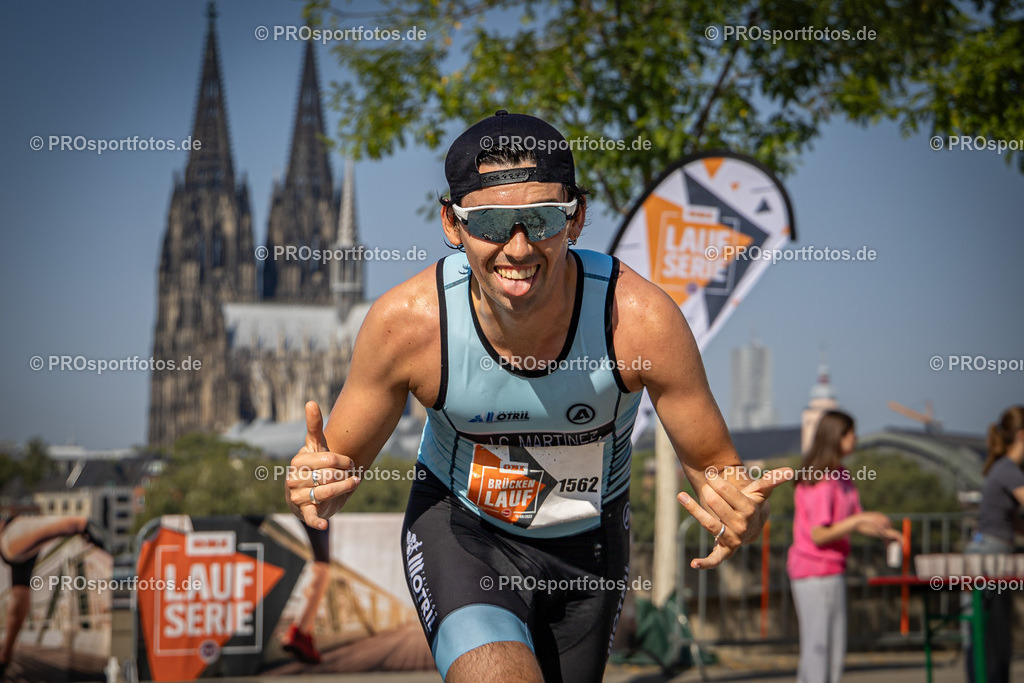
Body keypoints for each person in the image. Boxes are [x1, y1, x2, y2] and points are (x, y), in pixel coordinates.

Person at [285, 110, 792, 682]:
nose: (519, 248)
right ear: (452, 225)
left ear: (575, 220)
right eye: (493, 223)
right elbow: (337, 465)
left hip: (590, 546)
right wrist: (313, 483)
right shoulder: (408, 326)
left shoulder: (640, 323)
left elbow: (712, 467)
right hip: (464, 534)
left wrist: (737, 507)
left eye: (543, 219)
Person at [787, 410, 902, 683]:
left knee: (831, 653)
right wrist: (860, 519)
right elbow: (819, 535)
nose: (856, 438)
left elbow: (849, 522)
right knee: (819, 653)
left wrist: (883, 532)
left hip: (830, 572)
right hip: (814, 573)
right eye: (852, 433)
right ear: (838, 437)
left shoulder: (840, 474)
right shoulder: (820, 479)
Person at [963, 405, 1024, 683]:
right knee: (990, 636)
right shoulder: (1008, 471)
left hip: (992, 552)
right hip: (990, 557)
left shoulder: (1004, 469)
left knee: (992, 635)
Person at [0, 513, 104, 677]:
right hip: (13, 535)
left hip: (10, 532)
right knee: (19, 591)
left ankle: (78, 524)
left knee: (13, 548)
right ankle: (5, 656)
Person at [280, 524, 330, 664]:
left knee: (321, 567)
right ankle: (300, 632)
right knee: (322, 568)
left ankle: (303, 631)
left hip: (311, 509)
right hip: (314, 508)